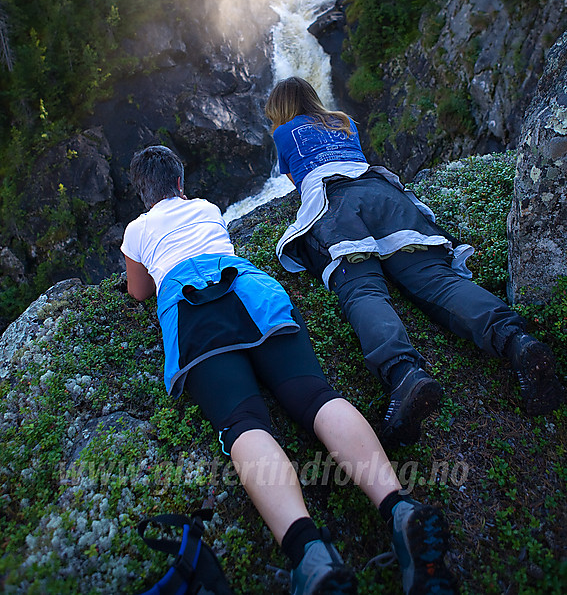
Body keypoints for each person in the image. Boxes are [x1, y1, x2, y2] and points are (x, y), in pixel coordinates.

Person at [121, 145, 458, 595]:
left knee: (242, 423)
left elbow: (138, 290)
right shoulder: (205, 207)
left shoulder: (138, 228)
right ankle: (399, 507)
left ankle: (310, 555)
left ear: (143, 194)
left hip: (192, 307)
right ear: (181, 183)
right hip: (251, 288)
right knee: (317, 396)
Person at [265, 76, 565, 448]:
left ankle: (405, 375)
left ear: (280, 110)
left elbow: (298, 181)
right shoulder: (343, 120)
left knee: (362, 290)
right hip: (384, 193)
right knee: (437, 280)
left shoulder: (284, 133)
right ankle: (517, 340)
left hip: (336, 205)